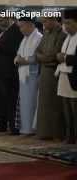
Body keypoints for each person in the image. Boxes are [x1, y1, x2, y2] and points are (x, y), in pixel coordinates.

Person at [0, 18, 24, 134]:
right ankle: (2, 124)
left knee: (10, 100)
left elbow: (15, 49)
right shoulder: (0, 32)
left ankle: (13, 126)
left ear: (9, 19)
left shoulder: (16, 31)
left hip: (9, 72)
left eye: (2, 19)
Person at [36, 16, 67, 140]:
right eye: (42, 22)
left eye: (46, 21)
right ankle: (45, 133)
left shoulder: (61, 35)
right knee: (44, 105)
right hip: (44, 73)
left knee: (55, 105)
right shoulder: (46, 33)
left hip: (54, 74)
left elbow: (53, 55)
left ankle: (56, 134)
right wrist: (44, 58)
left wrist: (43, 59)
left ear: (54, 20)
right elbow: (37, 51)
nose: (44, 24)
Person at [15, 17, 43, 135]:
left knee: (32, 104)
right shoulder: (24, 39)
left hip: (33, 76)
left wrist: (24, 60)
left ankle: (32, 129)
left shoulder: (39, 38)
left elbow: (37, 57)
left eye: (22, 26)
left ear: (30, 25)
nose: (21, 29)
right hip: (23, 77)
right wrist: (17, 60)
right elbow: (18, 55)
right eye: (19, 27)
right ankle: (25, 128)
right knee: (25, 104)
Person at [56, 9, 77, 144]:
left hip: (74, 77)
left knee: (75, 110)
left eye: (69, 23)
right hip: (63, 75)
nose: (66, 26)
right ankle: (69, 136)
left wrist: (66, 58)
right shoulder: (67, 37)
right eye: (65, 23)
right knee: (66, 109)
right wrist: (60, 57)